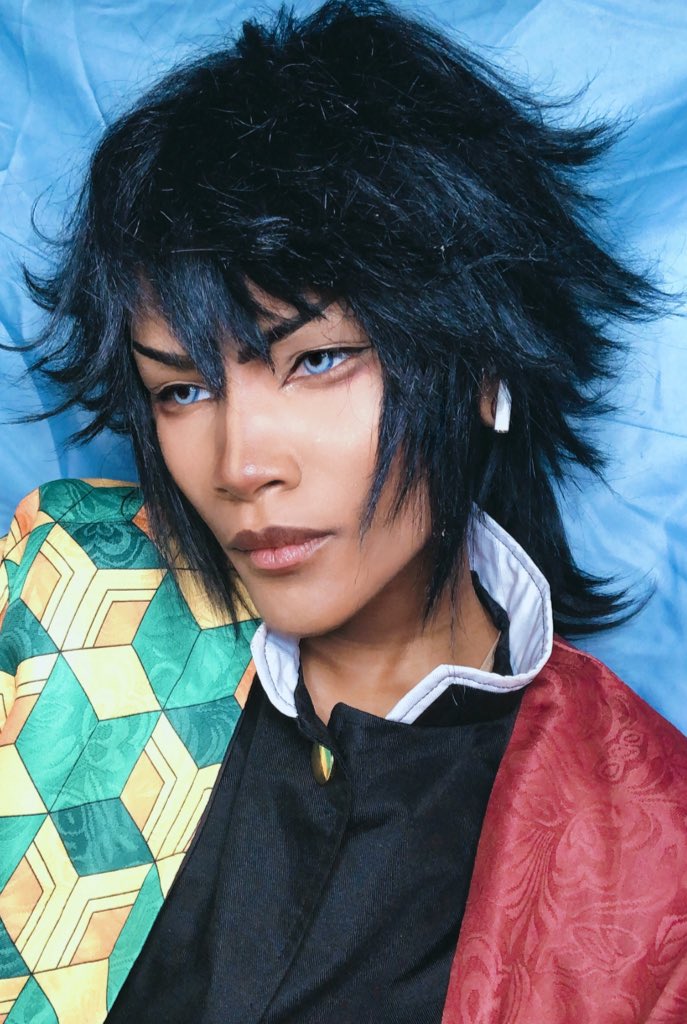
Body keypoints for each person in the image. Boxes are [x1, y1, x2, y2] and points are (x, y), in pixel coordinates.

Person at [1, 2, 686, 1021]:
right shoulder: (62, 601)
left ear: (483, 363)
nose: (242, 465)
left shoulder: (647, 849)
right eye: (181, 388)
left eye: (317, 360)